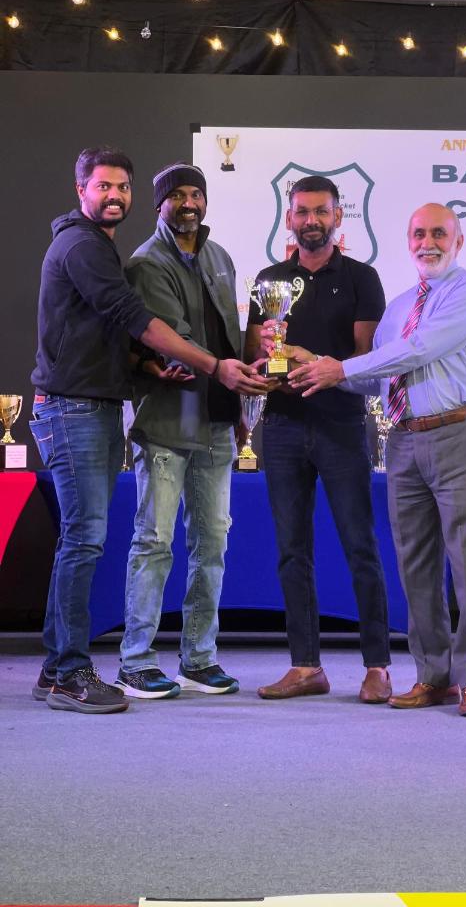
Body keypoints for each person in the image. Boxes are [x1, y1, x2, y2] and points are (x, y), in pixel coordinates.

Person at [30, 147, 266, 715]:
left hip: (124, 408)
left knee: (197, 541)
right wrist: (215, 368)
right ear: (81, 189)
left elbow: (111, 336)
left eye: (121, 187)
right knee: (101, 540)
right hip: (93, 411)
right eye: (103, 186)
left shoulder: (198, 255)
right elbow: (136, 320)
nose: (114, 196)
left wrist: (149, 366)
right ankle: (88, 669)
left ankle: (71, 668)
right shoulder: (93, 248)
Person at [286, 202, 466, 717]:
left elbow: (420, 349)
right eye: (419, 234)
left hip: (459, 432)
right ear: (408, 242)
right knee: (416, 565)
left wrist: (340, 368)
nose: (428, 242)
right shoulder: (401, 305)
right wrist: (318, 366)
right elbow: (377, 379)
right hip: (403, 441)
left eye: (439, 233)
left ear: (459, 241)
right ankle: (433, 676)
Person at [116, 162, 270, 699]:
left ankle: (199, 658)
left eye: (196, 195)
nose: (188, 204)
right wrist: (225, 370)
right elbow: (172, 338)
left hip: (217, 422)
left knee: (212, 543)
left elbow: (230, 338)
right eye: (177, 195)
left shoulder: (220, 256)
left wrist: (251, 378)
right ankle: (136, 661)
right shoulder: (146, 263)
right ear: (160, 204)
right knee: (154, 542)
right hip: (167, 421)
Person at [244, 175, 392, 703]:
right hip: (282, 425)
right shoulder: (269, 281)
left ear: (337, 217)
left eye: (321, 212)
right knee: (292, 551)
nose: (311, 221)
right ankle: (306, 666)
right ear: (289, 218)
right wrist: (267, 365)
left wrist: (317, 363)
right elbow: (256, 355)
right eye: (303, 212)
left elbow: (368, 359)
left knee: (360, 546)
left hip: (339, 424)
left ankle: (377, 666)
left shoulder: (361, 278)